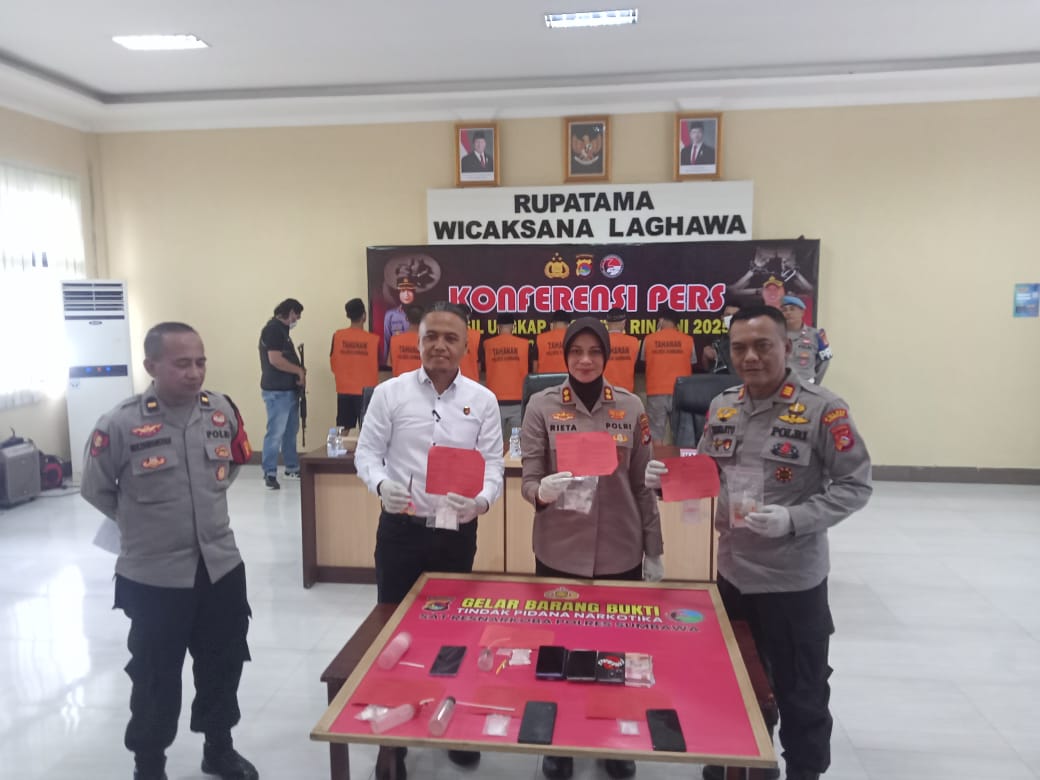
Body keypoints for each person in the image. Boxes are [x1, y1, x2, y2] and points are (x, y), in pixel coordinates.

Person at [646, 305, 871, 780]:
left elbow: (856, 485)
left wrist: (795, 518)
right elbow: (705, 473)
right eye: (740, 348)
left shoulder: (823, 409)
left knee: (801, 695)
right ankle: (737, 764)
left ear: (787, 347)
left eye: (762, 345)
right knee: (733, 685)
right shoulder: (723, 405)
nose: (751, 357)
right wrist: (664, 482)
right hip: (732, 577)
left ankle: (804, 771)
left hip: (793, 584)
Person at [81, 322, 258, 780]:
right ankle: (149, 764)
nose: (194, 372)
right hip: (154, 577)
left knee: (223, 664)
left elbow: (235, 463)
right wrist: (142, 524)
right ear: (151, 366)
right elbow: (95, 489)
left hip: (220, 567)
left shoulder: (221, 410)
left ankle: (219, 748)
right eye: (182, 364)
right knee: (155, 675)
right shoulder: (120, 423)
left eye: (200, 362)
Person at [354, 301, 504, 778]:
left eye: (450, 337)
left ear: (466, 345)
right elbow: (366, 454)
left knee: (452, 635)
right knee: (394, 635)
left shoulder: (483, 400)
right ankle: (393, 739)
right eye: (431, 336)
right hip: (401, 530)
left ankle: (450, 719)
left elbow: (494, 466)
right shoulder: (389, 393)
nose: (440, 345)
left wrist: (481, 502)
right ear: (417, 341)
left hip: (455, 533)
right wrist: (381, 484)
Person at [521, 316, 662, 780]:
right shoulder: (541, 406)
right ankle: (558, 741)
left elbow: (643, 486)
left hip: (621, 548)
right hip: (559, 549)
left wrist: (654, 548)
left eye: (594, 351)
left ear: (607, 356)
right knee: (558, 650)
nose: (585, 360)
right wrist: (541, 492)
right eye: (576, 351)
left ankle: (613, 737)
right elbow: (528, 479)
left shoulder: (631, 406)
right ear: (565, 356)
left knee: (616, 651)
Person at [258, 298, 305, 490]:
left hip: (288, 390)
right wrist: (298, 371)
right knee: (276, 432)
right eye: (297, 316)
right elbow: (275, 360)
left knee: (290, 432)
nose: (297, 320)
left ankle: (292, 467)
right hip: (277, 392)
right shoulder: (273, 330)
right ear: (290, 312)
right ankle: (269, 472)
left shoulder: (282, 331)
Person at [640, 307, 694, 442]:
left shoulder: (649, 339)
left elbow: (643, 359)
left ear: (661, 320)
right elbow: (693, 361)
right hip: (681, 393)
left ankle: (656, 457)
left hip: (656, 392)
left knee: (655, 436)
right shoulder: (688, 340)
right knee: (682, 436)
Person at [329, 298, 380, 429]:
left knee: (342, 429)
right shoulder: (374, 340)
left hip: (344, 389)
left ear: (348, 315)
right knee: (368, 429)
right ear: (364, 316)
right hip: (366, 391)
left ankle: (335, 443)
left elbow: (333, 362)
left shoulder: (338, 336)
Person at [480, 312, 532, 438]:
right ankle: (515, 452)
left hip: (495, 400)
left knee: (496, 441)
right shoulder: (525, 344)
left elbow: (482, 369)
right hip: (518, 400)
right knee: (516, 443)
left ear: (498, 326)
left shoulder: (487, 344)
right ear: (513, 326)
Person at [781, 295, 832, 385]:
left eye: (792, 309)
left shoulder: (817, 335)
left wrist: (814, 386)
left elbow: (824, 362)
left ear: (802, 312)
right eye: (784, 310)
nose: (788, 313)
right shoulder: (775, 335)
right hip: (780, 385)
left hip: (805, 385)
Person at [602, 308, 639, 392]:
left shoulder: (600, 341)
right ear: (624, 322)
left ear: (607, 322)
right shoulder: (634, 341)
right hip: (626, 391)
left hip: (605, 391)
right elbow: (634, 361)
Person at [382, 276, 416, 363]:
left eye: (410, 291)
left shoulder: (423, 314)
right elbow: (387, 342)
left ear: (414, 292)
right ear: (398, 293)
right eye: (403, 291)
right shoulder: (390, 315)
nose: (406, 295)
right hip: (397, 364)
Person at [702, 301, 741, 374]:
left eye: (735, 315)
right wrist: (705, 357)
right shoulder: (716, 343)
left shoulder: (750, 340)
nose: (731, 318)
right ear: (722, 318)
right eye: (728, 315)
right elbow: (709, 371)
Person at [388, 304, 423, 377]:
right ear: (423, 319)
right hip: (420, 382)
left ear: (406, 318)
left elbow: (389, 363)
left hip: (399, 382)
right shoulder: (426, 341)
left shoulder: (394, 340)